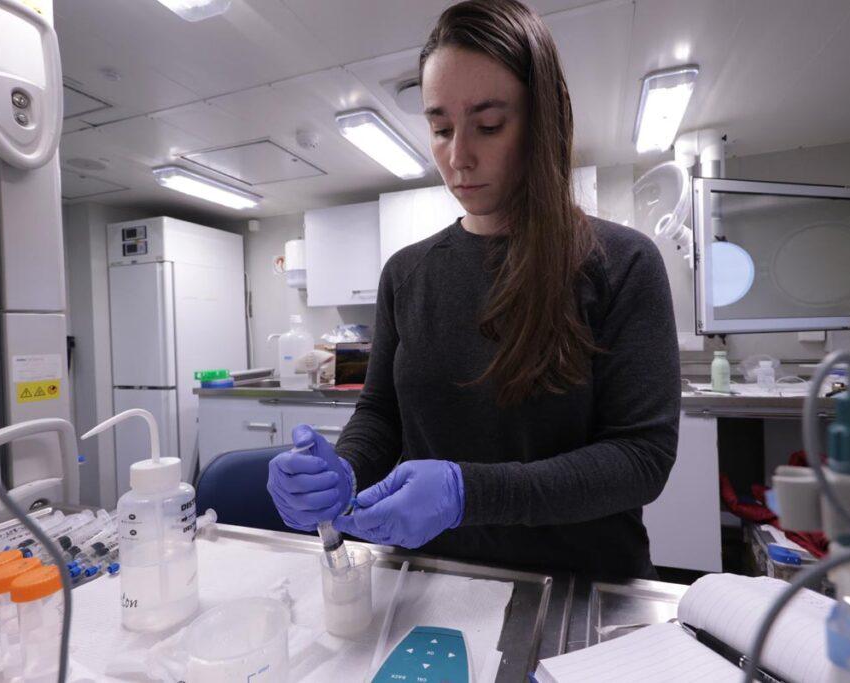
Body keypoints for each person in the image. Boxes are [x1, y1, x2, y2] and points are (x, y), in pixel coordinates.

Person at [266, 0, 680, 578]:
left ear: (542, 122)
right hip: (429, 577)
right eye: (440, 128)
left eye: (488, 125)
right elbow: (383, 412)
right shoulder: (407, 274)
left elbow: (641, 458)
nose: (458, 157)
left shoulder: (622, 262)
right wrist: (342, 471)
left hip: (579, 581)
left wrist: (469, 493)